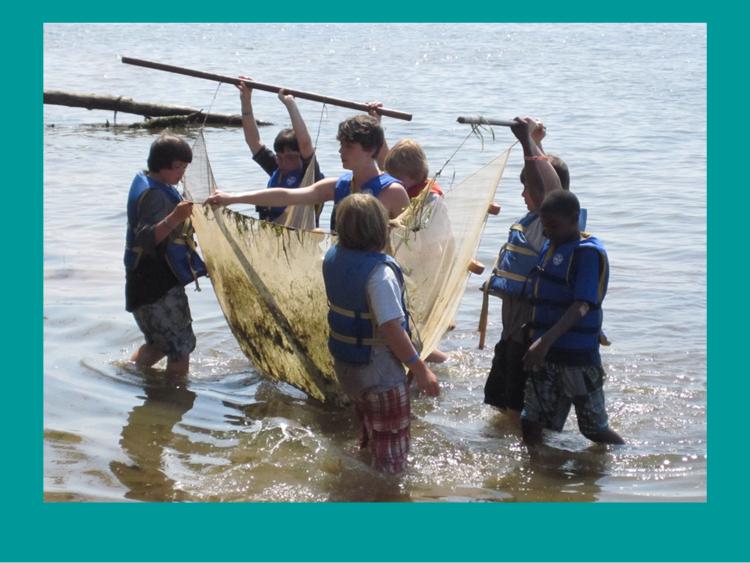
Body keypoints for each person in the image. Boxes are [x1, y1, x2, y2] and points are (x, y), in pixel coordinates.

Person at [322, 193, 440, 474]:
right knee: (392, 463)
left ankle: (358, 488)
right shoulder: (380, 274)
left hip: (348, 368)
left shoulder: (333, 257)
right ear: (379, 229)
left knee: (368, 439)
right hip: (379, 375)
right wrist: (421, 369)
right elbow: (391, 328)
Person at [520, 190, 624, 445]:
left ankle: (624, 457)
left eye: (554, 226)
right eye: (545, 227)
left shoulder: (586, 254)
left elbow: (582, 305)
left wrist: (544, 342)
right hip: (546, 356)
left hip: (577, 358)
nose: (548, 232)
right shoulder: (550, 245)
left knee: (593, 430)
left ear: (574, 219)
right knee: (531, 422)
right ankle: (538, 469)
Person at [483, 117, 569, 422]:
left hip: (528, 332)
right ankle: (503, 441)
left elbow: (550, 188)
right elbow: (547, 183)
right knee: (499, 404)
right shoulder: (535, 220)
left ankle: (523, 441)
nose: (523, 194)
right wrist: (536, 142)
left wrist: (526, 142)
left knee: (517, 410)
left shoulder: (550, 224)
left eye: (527, 188)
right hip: (512, 331)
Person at [206, 114, 411, 230]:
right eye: (341, 145)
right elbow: (287, 196)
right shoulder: (338, 185)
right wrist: (232, 198)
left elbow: (412, 242)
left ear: (371, 149)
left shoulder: (393, 192)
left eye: (348, 146)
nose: (341, 151)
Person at [124, 133, 207, 377]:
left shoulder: (152, 183)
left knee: (159, 344)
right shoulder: (155, 195)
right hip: (156, 285)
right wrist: (175, 218)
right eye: (178, 167)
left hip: (140, 281)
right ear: (161, 166)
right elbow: (145, 238)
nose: (182, 173)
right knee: (180, 349)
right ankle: (175, 394)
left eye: (185, 167)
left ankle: (126, 375)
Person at [237, 78, 324, 224]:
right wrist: (245, 100)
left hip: (300, 233)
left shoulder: (310, 175)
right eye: (280, 157)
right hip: (269, 231)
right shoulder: (276, 167)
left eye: (290, 157)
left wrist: (290, 104)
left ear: (301, 157)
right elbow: (253, 141)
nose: (283, 162)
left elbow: (305, 144)